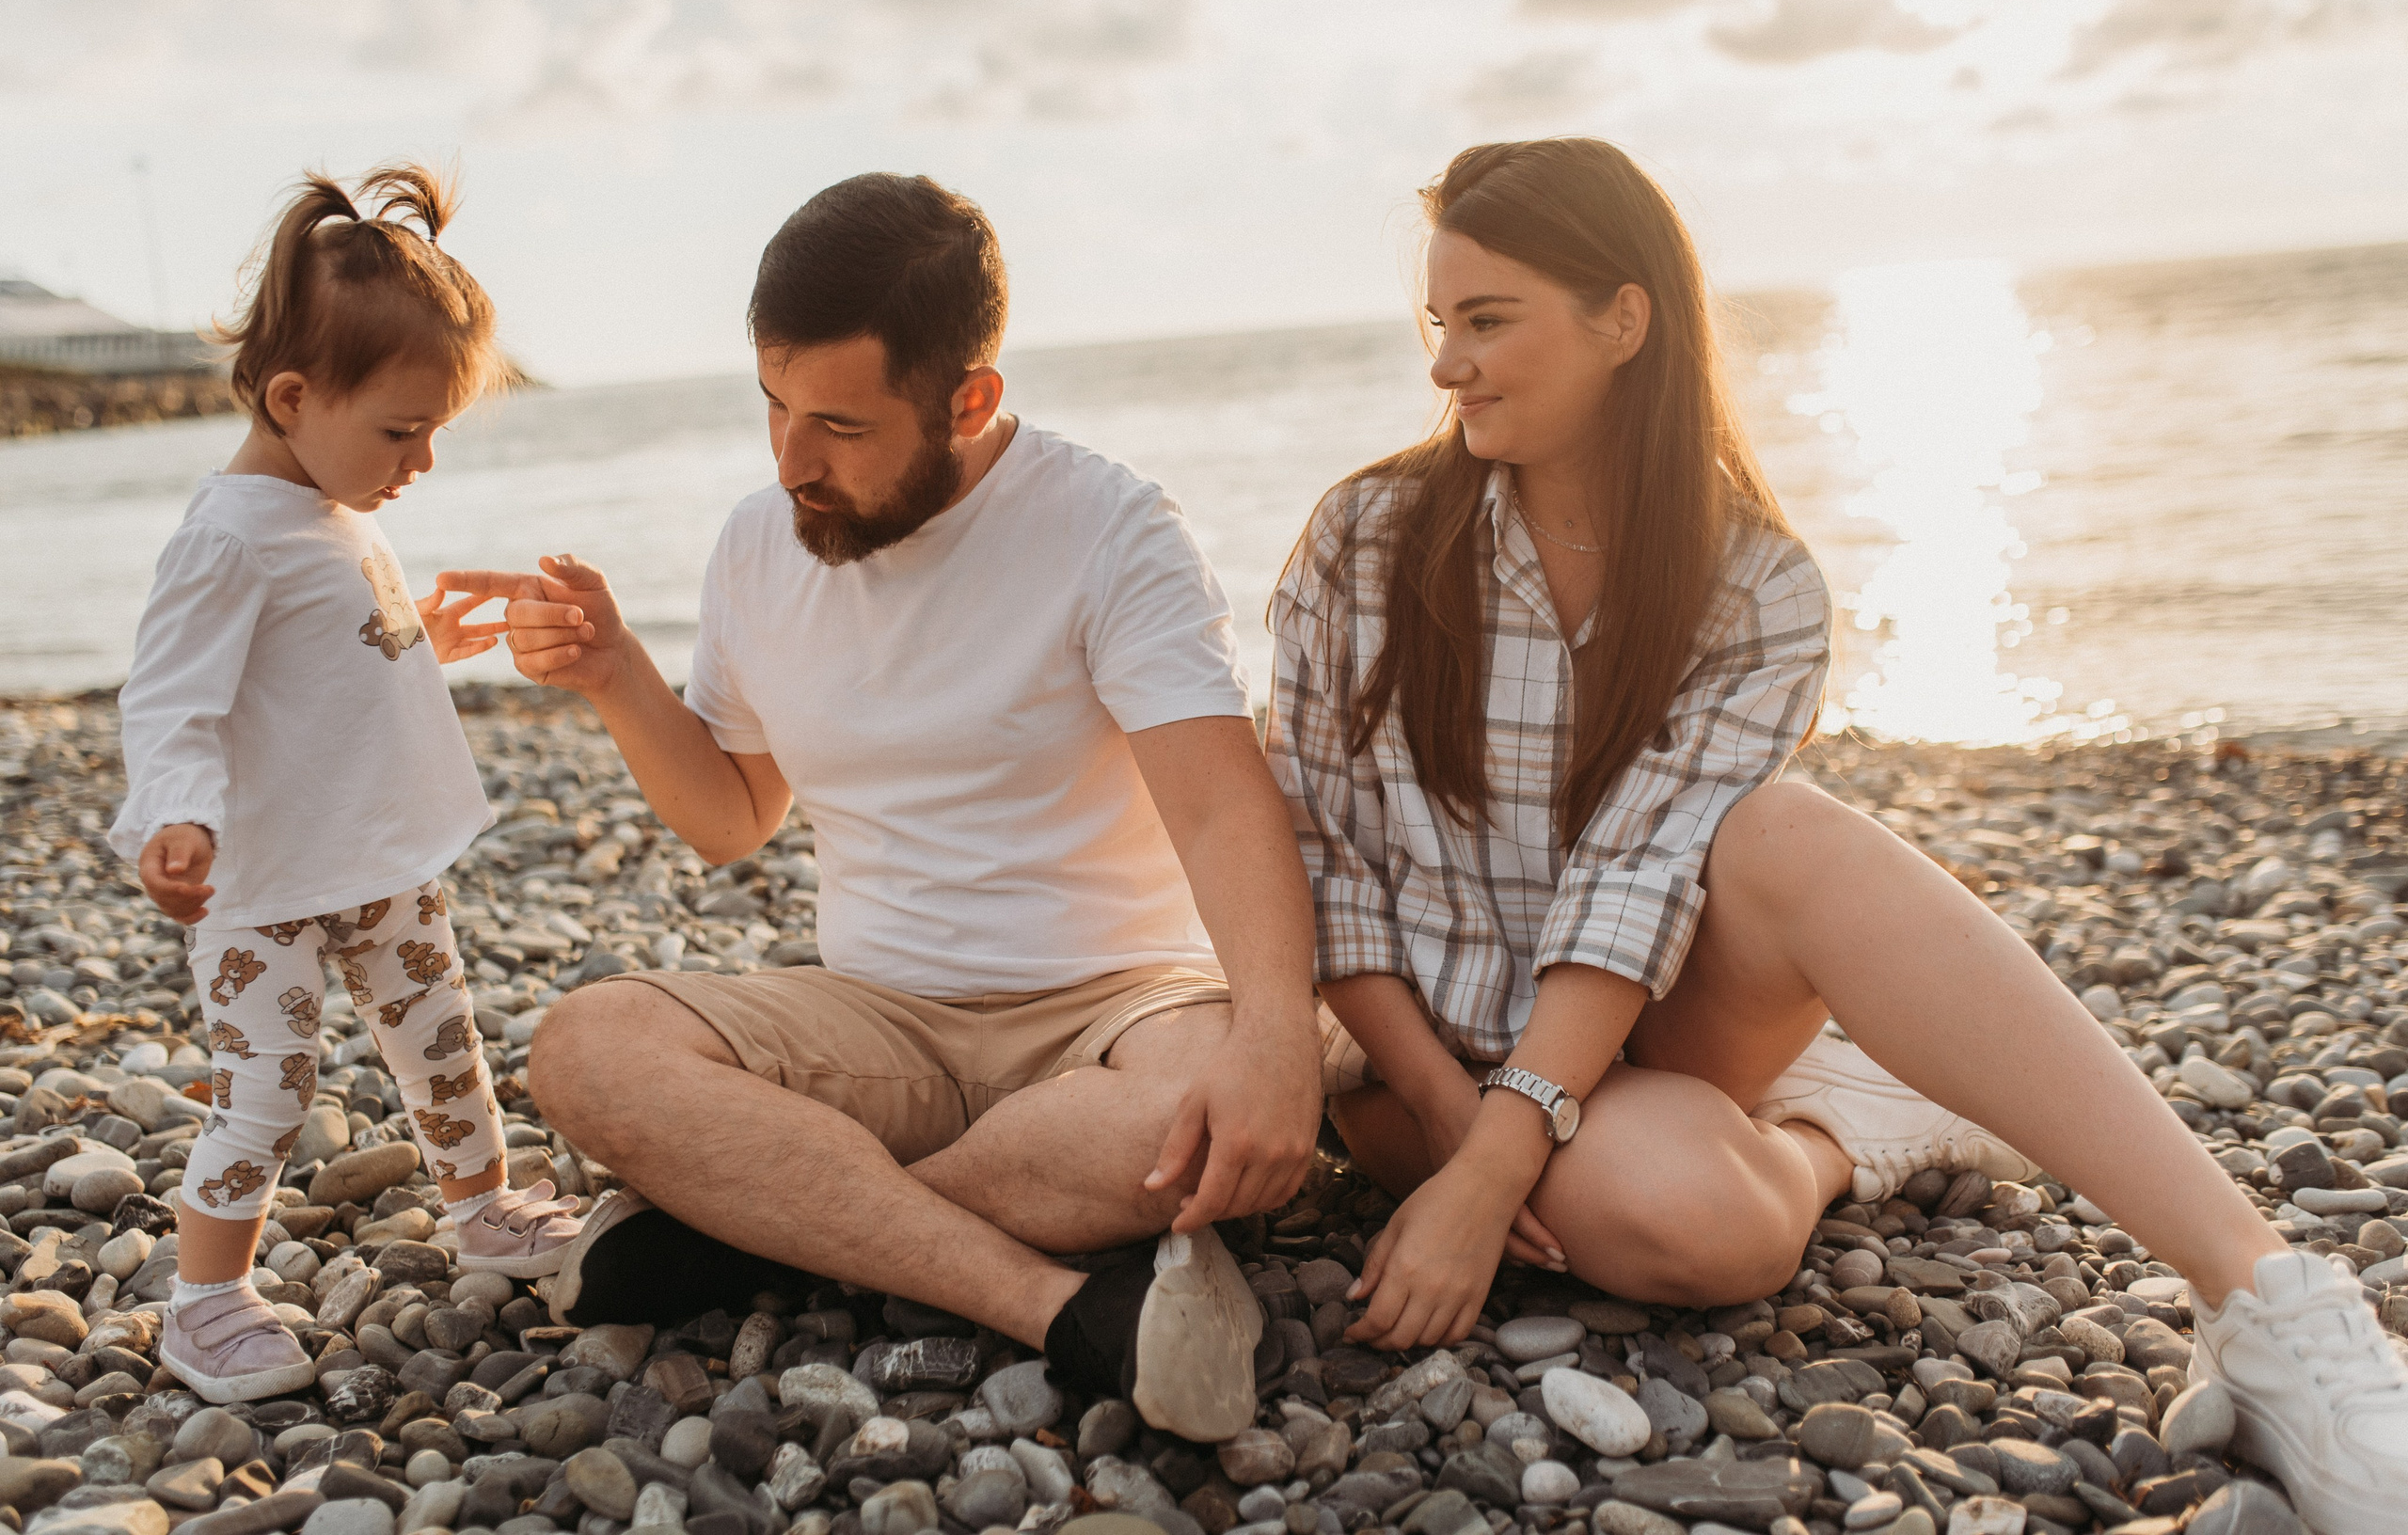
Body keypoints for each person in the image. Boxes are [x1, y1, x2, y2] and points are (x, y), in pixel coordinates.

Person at [1270, 136, 2408, 1535]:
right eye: (1439, 324)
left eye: (1488, 320)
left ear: (1624, 320)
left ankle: (2272, 1301)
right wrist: (1463, 1137)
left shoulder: (1756, 583)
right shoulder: (1363, 542)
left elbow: (1640, 873)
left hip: (1647, 1015)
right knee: (1694, 1225)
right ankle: (1842, 1128)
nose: (1448, 363)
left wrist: (1501, 1166)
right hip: (1420, 1051)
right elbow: (1322, 869)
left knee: (1789, 831)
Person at [443, 173, 1322, 1442]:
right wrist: (613, 671)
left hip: (1116, 1010)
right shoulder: (758, 545)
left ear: (970, 401)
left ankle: (768, 1228)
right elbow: (736, 813)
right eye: (774, 407)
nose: (795, 460)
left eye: (841, 426)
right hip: (879, 1019)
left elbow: (1224, 811)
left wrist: (1279, 1039)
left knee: (1181, 1119)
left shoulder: (1112, 529)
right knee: (584, 1045)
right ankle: (1046, 1299)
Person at [108, 165, 584, 1404]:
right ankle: (204, 1301)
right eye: (401, 430)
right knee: (267, 1084)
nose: (421, 458)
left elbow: (325, 654)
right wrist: (175, 816)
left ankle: (481, 1208)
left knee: (440, 1038)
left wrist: (422, 631)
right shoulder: (226, 533)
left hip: (374, 856)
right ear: (291, 395)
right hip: (262, 878)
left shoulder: (331, 500)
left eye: (435, 431)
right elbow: (172, 697)